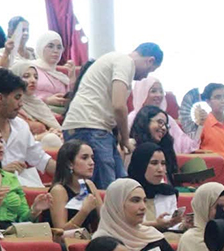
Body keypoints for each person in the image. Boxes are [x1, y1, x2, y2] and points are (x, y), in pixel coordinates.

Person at [63, 43, 164, 188]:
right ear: (150, 60)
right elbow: (118, 105)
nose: (144, 77)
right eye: (149, 71)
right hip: (89, 126)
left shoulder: (116, 60)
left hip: (97, 128)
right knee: (107, 187)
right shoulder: (125, 62)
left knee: (122, 185)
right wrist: (125, 138)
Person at [93, 178, 201, 251]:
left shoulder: (151, 236)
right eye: (135, 200)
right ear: (116, 205)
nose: (143, 207)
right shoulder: (102, 242)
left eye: (144, 200)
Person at [132, 76, 200, 154]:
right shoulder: (131, 118)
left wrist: (199, 125)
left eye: (161, 91)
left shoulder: (168, 119)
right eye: (153, 91)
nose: (159, 95)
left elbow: (186, 145)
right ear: (142, 92)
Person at [47, 139, 102, 233]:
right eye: (84, 158)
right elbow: (61, 232)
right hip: (65, 244)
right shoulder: (59, 190)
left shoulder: (89, 184)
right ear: (70, 164)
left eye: (92, 157)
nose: (91, 162)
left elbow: (104, 218)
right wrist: (84, 211)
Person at [126, 142, 180, 231]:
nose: (160, 169)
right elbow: (121, 223)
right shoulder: (124, 189)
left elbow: (171, 224)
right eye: (154, 163)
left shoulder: (168, 192)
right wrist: (156, 224)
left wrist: (182, 226)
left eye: (163, 163)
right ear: (141, 165)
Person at [11, 60, 63, 147]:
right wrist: (41, 136)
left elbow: (56, 127)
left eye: (36, 77)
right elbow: (12, 139)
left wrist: (56, 132)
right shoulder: (10, 105)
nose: (33, 80)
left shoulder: (38, 103)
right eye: (26, 76)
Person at [129, 104, 179, 182]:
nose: (164, 128)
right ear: (145, 121)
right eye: (160, 122)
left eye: (166, 125)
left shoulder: (164, 148)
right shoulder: (131, 146)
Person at [32, 30, 73, 109]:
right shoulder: (30, 69)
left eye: (59, 47)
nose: (55, 51)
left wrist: (72, 78)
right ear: (41, 47)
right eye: (50, 46)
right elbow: (24, 97)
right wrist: (46, 100)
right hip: (37, 112)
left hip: (61, 113)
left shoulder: (61, 76)